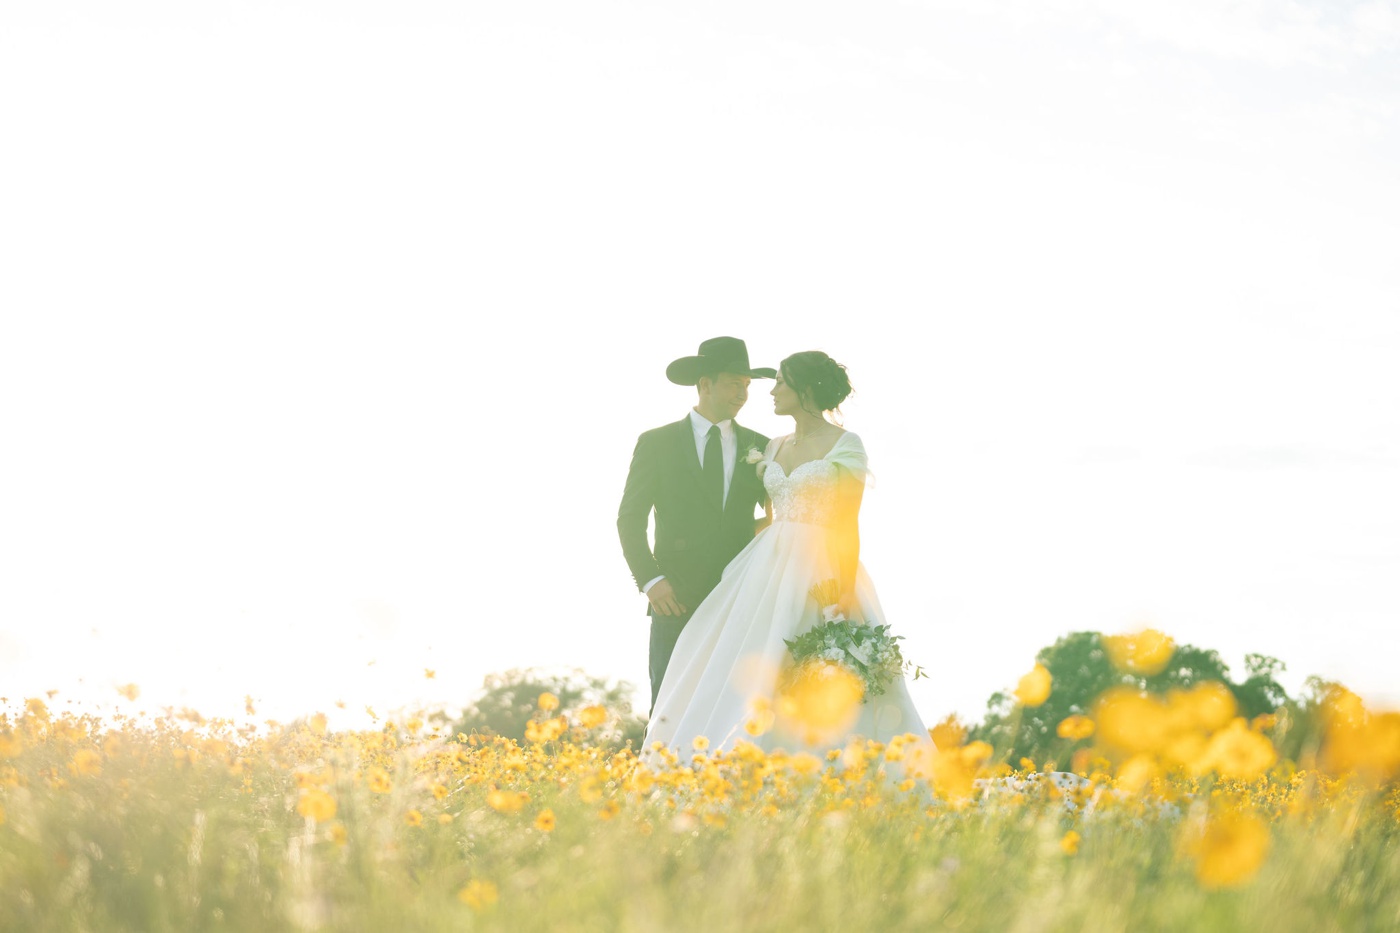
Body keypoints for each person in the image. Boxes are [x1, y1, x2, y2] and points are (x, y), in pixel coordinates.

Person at [643, 350, 928, 756]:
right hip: (765, 567)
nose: (770, 391)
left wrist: (843, 591)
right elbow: (765, 514)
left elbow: (849, 523)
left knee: (812, 662)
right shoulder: (771, 447)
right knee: (746, 663)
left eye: (779, 382)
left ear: (805, 388)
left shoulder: (846, 445)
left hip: (823, 567)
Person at [617, 337, 775, 713]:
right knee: (670, 704)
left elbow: (776, 518)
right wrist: (651, 581)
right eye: (734, 383)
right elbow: (629, 517)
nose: (743, 394)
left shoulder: (764, 445)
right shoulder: (658, 442)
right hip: (675, 598)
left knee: (732, 706)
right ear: (705, 384)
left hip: (739, 593)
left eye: (747, 385)